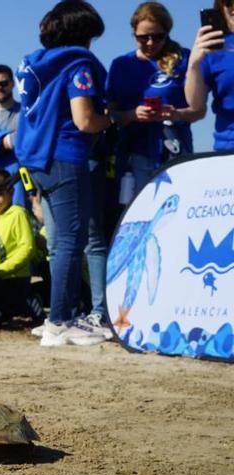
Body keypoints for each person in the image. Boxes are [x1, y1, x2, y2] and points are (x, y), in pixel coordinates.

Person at [15, 0, 111, 347]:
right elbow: (85, 120)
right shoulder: (79, 65)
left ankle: (58, 316)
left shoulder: (33, 65)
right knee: (72, 241)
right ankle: (60, 321)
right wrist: (117, 117)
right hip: (66, 157)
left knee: (60, 245)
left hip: (36, 160)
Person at [108, 2, 199, 192]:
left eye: (158, 37)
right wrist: (132, 115)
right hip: (133, 155)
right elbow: (110, 114)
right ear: (133, 33)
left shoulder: (184, 60)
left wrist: (175, 114)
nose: (150, 43)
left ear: (167, 33)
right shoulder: (121, 65)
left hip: (174, 151)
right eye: (143, 38)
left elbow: (198, 111)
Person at [0, 169, 44, 325]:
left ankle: (31, 300)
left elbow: (28, 248)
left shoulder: (18, 214)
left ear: (11, 192)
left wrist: (3, 269)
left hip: (15, 278)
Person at [185, 0, 234, 151]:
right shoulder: (213, 49)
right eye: (228, 2)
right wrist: (194, 64)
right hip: (228, 150)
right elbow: (196, 105)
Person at [0, 65, 26, 207]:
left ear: (13, 84)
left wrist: (0, 142)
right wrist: (6, 140)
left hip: (19, 179)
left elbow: (28, 139)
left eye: (3, 83)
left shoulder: (25, 113)